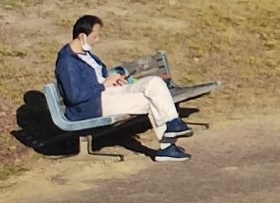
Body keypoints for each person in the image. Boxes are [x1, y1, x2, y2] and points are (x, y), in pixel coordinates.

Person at [55, 16, 189, 161]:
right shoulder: (67, 62)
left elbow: (99, 76)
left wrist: (113, 79)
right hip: (93, 105)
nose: (97, 40)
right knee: (150, 101)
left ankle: (173, 123)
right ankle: (168, 148)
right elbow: (74, 96)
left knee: (154, 82)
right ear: (82, 36)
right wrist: (103, 85)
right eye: (95, 36)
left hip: (108, 93)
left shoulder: (86, 55)